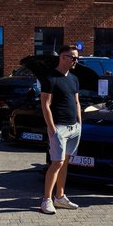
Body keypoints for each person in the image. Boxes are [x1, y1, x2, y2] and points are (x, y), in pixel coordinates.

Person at [40, 45, 81, 215]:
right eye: (72, 57)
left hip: (74, 128)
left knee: (65, 163)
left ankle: (60, 197)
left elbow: (76, 101)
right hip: (59, 128)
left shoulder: (74, 79)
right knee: (56, 163)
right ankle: (46, 200)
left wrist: (80, 122)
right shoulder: (50, 78)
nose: (75, 60)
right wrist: (52, 128)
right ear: (63, 57)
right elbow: (45, 105)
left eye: (76, 57)